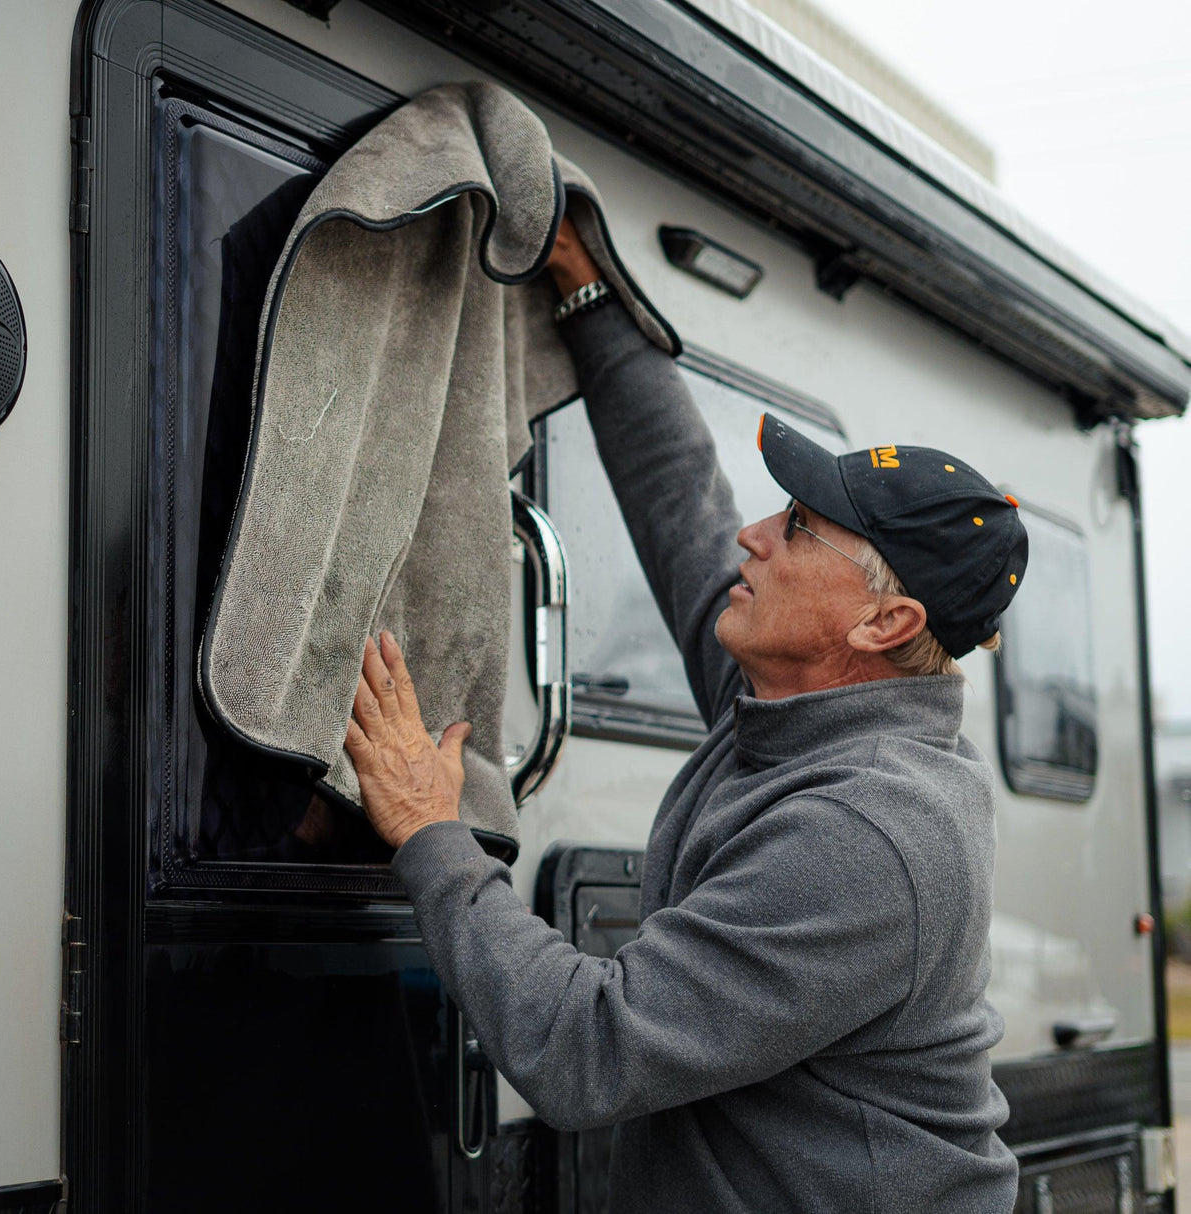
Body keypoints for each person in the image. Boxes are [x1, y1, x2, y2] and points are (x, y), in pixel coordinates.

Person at [343, 218, 1027, 1212]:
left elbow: (585, 1048)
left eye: (795, 528)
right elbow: (682, 508)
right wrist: (586, 298)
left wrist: (431, 833)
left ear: (885, 619)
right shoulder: (801, 698)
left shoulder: (869, 832)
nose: (753, 534)